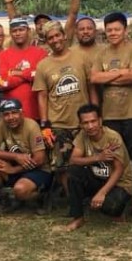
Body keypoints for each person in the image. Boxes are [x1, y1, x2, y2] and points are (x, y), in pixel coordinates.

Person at [91, 12, 132, 207]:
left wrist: (107, 76)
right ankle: (117, 192)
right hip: (110, 115)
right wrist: (121, 72)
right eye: (109, 30)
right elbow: (94, 78)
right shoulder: (101, 53)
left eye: (117, 29)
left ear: (125, 30)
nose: (113, 33)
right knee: (113, 156)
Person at [33, 20, 95, 190]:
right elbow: (42, 96)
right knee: (61, 167)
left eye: (57, 35)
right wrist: (45, 125)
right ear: (47, 41)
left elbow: (91, 87)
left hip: (83, 122)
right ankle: (70, 198)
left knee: (88, 161)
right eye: (50, 38)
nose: (55, 40)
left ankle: (88, 194)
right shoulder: (43, 65)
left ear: (64, 35)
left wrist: (96, 112)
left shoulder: (81, 57)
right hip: (59, 124)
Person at [64, 103, 132, 231]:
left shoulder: (112, 137)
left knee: (111, 207)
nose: (90, 126)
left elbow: (119, 170)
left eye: (93, 121)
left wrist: (102, 193)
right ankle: (78, 217)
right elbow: (73, 160)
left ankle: (123, 207)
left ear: (100, 121)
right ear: (80, 124)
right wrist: (98, 157)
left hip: (119, 183)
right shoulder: (82, 135)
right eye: (85, 123)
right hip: (98, 178)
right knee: (74, 171)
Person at [0, 99, 51, 215]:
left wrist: (14, 170)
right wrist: (15, 156)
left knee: (20, 190)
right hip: (17, 165)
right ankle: (4, 201)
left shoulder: (31, 126)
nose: (11, 117)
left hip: (38, 170)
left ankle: (41, 197)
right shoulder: (2, 125)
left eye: (14, 113)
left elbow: (39, 159)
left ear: (21, 113)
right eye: (6, 114)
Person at [0, 16, 46, 121]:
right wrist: (30, 74)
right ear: (10, 33)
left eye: (21, 30)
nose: (18, 33)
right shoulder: (3, 56)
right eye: (14, 31)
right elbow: (2, 82)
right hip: (11, 116)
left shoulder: (40, 53)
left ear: (28, 31)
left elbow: (42, 76)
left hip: (37, 113)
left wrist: (16, 73)